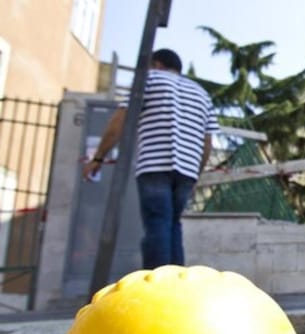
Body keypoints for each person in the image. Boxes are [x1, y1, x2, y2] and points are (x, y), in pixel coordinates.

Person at [82, 49, 220, 269]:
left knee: (157, 223)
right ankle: (177, 282)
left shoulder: (150, 79)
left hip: (155, 163)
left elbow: (120, 120)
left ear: (156, 64)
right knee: (173, 224)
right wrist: (196, 176)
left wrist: (98, 157)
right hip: (188, 170)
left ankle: (157, 285)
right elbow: (207, 143)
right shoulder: (201, 94)